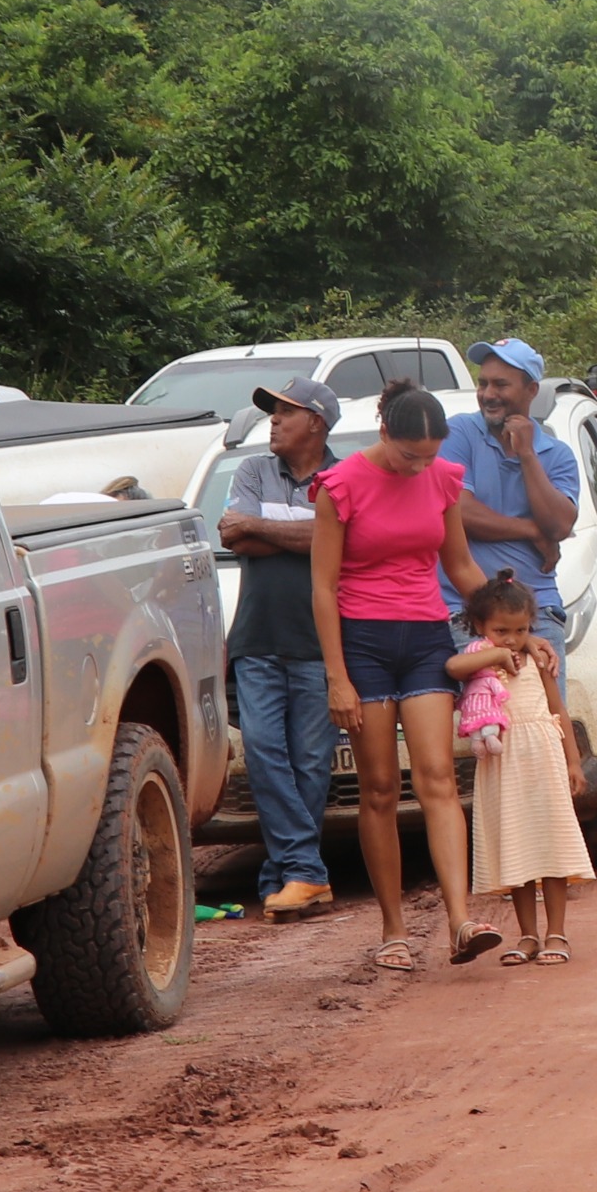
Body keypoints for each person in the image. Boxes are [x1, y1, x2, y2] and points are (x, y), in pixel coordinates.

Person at [312, 381, 506, 969]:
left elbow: (460, 565)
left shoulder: (442, 478)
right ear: (383, 434)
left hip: (425, 637)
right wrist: (337, 676)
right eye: (408, 456)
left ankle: (460, 921)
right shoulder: (340, 485)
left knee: (438, 779)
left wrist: (509, 627)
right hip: (362, 643)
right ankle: (393, 930)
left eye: (429, 456)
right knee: (378, 789)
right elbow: (322, 588)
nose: (419, 466)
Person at [213, 379, 345, 922]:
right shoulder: (252, 470)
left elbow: (339, 542)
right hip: (257, 638)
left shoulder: (344, 478)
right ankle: (306, 870)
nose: (272, 420)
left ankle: (285, 874)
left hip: (319, 644)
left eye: (285, 412)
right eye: (272, 412)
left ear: (316, 422)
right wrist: (309, 533)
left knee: (310, 763)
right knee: (265, 753)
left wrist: (261, 527)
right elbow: (233, 536)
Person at [447, 574, 591, 964]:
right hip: (503, 765)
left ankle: (556, 933)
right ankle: (528, 935)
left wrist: (573, 761)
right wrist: (494, 655)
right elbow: (453, 665)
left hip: (543, 759)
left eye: (521, 630)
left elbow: (558, 710)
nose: (511, 639)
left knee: (552, 844)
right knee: (517, 849)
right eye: (501, 631)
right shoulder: (479, 662)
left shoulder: (538, 660)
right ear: (479, 626)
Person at [439, 339, 581, 696]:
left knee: (544, 718)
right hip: (464, 612)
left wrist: (528, 455)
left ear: (531, 390)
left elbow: (559, 525)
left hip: (534, 616)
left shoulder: (557, 455)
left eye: (501, 384)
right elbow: (460, 511)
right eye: (483, 383)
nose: (488, 394)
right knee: (482, 720)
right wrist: (532, 530)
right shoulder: (459, 434)